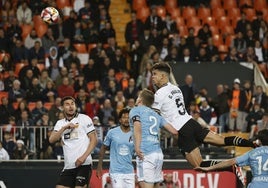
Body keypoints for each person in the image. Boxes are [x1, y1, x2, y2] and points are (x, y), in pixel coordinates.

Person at [150, 62, 258, 169]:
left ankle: (231, 167)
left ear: (163, 76)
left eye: (154, 74)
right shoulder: (176, 89)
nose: (152, 77)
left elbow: (154, 117)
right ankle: (252, 143)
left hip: (182, 131)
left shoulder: (159, 94)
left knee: (199, 166)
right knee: (222, 141)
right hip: (192, 123)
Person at [129, 88, 177, 188]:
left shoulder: (135, 110)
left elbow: (137, 127)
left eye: (138, 96)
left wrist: (137, 148)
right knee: (155, 185)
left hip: (145, 153)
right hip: (158, 154)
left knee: (145, 184)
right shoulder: (156, 114)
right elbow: (174, 131)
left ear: (140, 100)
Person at [49, 96, 97, 188]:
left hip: (84, 164)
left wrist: (83, 157)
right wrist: (64, 128)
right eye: (67, 104)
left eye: (72, 104)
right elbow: (52, 139)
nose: (70, 106)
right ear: (63, 108)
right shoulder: (60, 123)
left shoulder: (84, 118)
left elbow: (94, 139)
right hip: (69, 166)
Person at [195, 129, 268, 188]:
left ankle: (238, 171)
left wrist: (209, 168)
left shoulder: (252, 153)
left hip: (256, 185)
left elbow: (229, 162)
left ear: (259, 141)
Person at [96, 108, 135, 188]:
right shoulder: (112, 132)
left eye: (128, 118)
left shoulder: (135, 133)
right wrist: (99, 165)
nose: (126, 120)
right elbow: (103, 148)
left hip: (129, 171)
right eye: (124, 117)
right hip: (116, 171)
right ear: (120, 120)